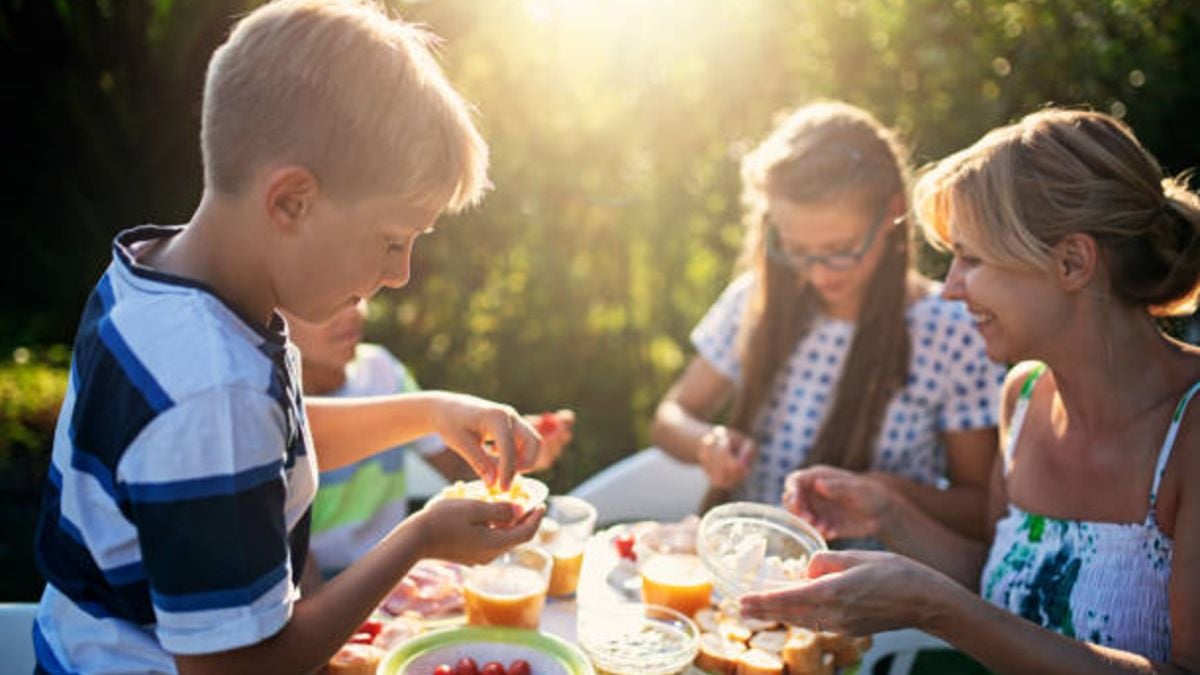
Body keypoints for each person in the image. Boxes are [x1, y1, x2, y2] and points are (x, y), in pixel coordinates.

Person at [31, 2, 547, 672]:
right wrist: (417, 538)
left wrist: (431, 412)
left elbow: (256, 450)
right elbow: (240, 668)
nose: (401, 273)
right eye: (393, 240)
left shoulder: (160, 284)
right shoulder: (211, 384)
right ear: (291, 202)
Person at [742, 109, 1200, 672]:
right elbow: (1002, 583)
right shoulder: (1023, 397)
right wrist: (889, 513)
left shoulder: (1191, 431)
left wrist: (934, 607)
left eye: (972, 259)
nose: (952, 289)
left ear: (1072, 262)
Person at [651, 101, 1006, 539]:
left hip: (868, 586)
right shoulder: (756, 300)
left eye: (840, 249)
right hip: (741, 567)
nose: (818, 273)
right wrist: (707, 444)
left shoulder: (951, 331)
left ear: (892, 213)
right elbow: (670, 416)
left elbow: (983, 508)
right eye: (798, 251)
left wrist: (886, 493)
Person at [283, 301, 574, 584]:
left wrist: (515, 454)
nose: (350, 312)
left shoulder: (383, 369)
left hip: (393, 572)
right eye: (328, 294)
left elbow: (461, 466)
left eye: (357, 295)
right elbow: (303, 589)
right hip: (322, 588)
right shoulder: (269, 406)